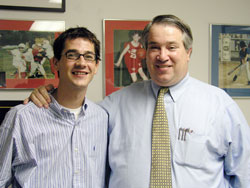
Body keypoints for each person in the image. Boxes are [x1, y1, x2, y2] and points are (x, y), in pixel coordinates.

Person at [24, 15, 250, 187]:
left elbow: (244, 175)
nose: (162, 56)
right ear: (145, 52)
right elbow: (73, 117)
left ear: (188, 52)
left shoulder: (219, 105)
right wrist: (47, 95)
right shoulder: (113, 106)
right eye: (154, 47)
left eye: (171, 47)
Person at [0, 27, 108, 187]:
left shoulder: (102, 118)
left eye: (89, 57)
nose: (81, 63)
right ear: (55, 63)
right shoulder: (21, 118)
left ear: (96, 65)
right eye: (72, 55)